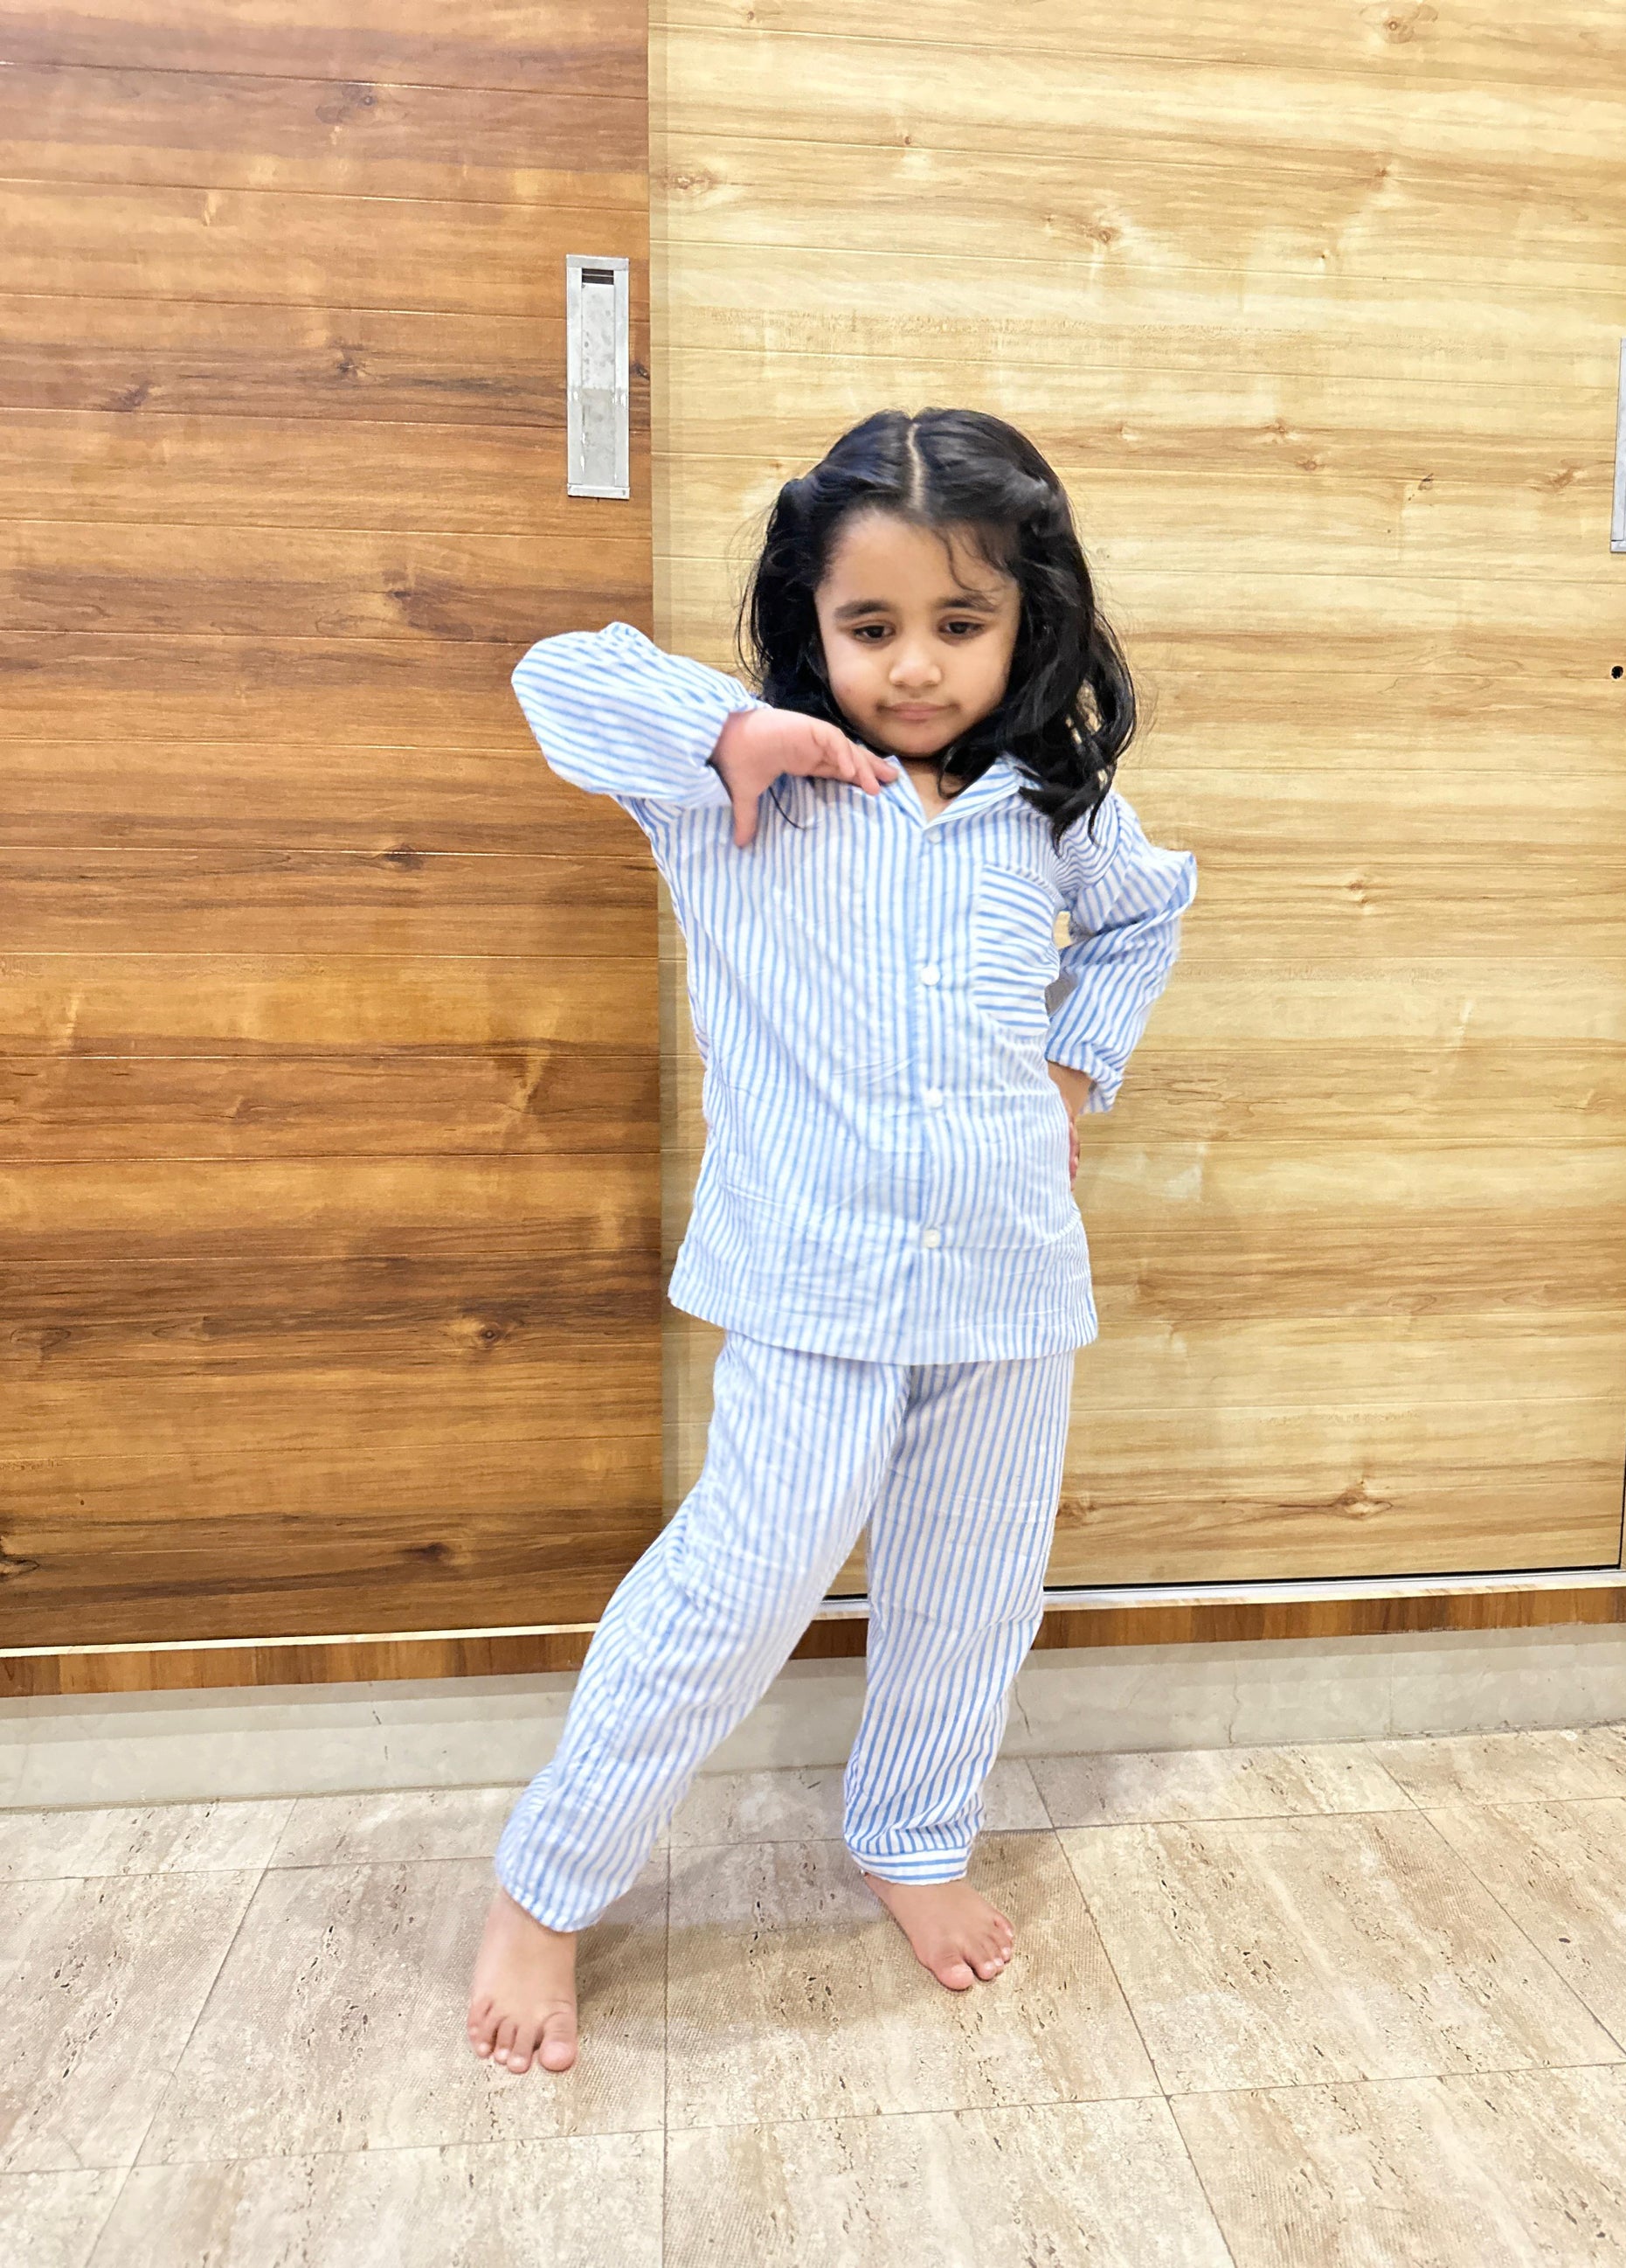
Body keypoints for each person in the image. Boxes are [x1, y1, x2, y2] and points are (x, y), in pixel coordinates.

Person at [467, 407, 1198, 2077]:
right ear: (810, 615)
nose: (914, 666)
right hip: (809, 1280)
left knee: (971, 1591)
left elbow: (1148, 911)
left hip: (1008, 1282)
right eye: (870, 626)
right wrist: (727, 725)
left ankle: (914, 1837)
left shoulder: (1048, 803)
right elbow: (555, 677)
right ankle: (546, 1885)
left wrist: (1074, 1064)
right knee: (737, 1586)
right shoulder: (742, 783)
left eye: (960, 622)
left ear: (1027, 622)